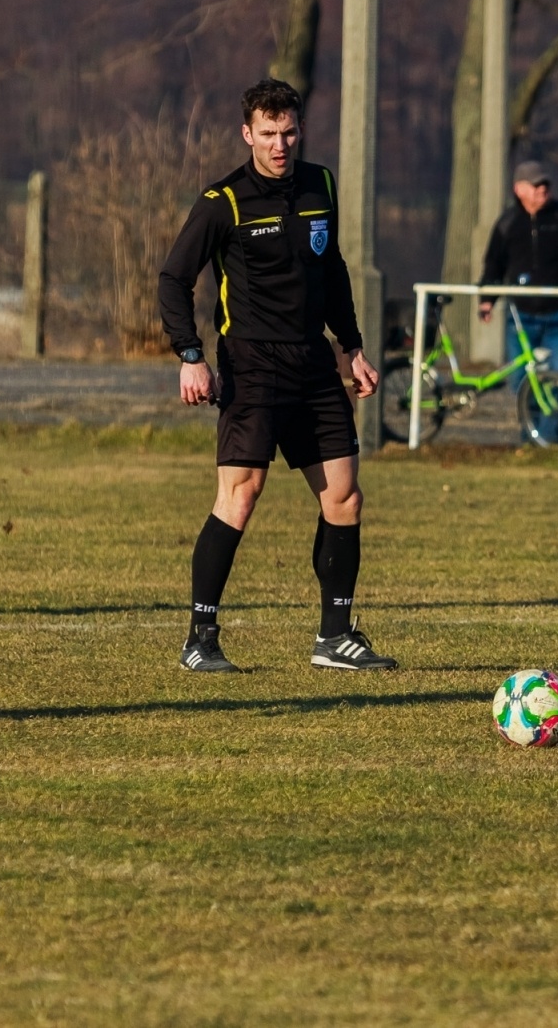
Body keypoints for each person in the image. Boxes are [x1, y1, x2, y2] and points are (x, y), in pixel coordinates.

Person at [158, 79, 395, 673]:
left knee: (344, 496)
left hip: (314, 363)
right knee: (240, 498)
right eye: (268, 134)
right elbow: (173, 279)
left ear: (300, 129)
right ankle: (200, 640)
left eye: (289, 132)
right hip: (252, 364)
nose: (280, 144)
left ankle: (335, 637)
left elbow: (332, 268)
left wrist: (351, 346)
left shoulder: (321, 185)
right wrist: (191, 355)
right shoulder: (224, 200)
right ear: (248, 134)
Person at [477, 160, 558, 444]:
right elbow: (493, 264)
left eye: (545, 185)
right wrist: (486, 299)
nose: (542, 190)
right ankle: (532, 439)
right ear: (519, 189)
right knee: (523, 383)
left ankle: (553, 443)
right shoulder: (508, 223)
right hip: (521, 317)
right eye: (536, 185)